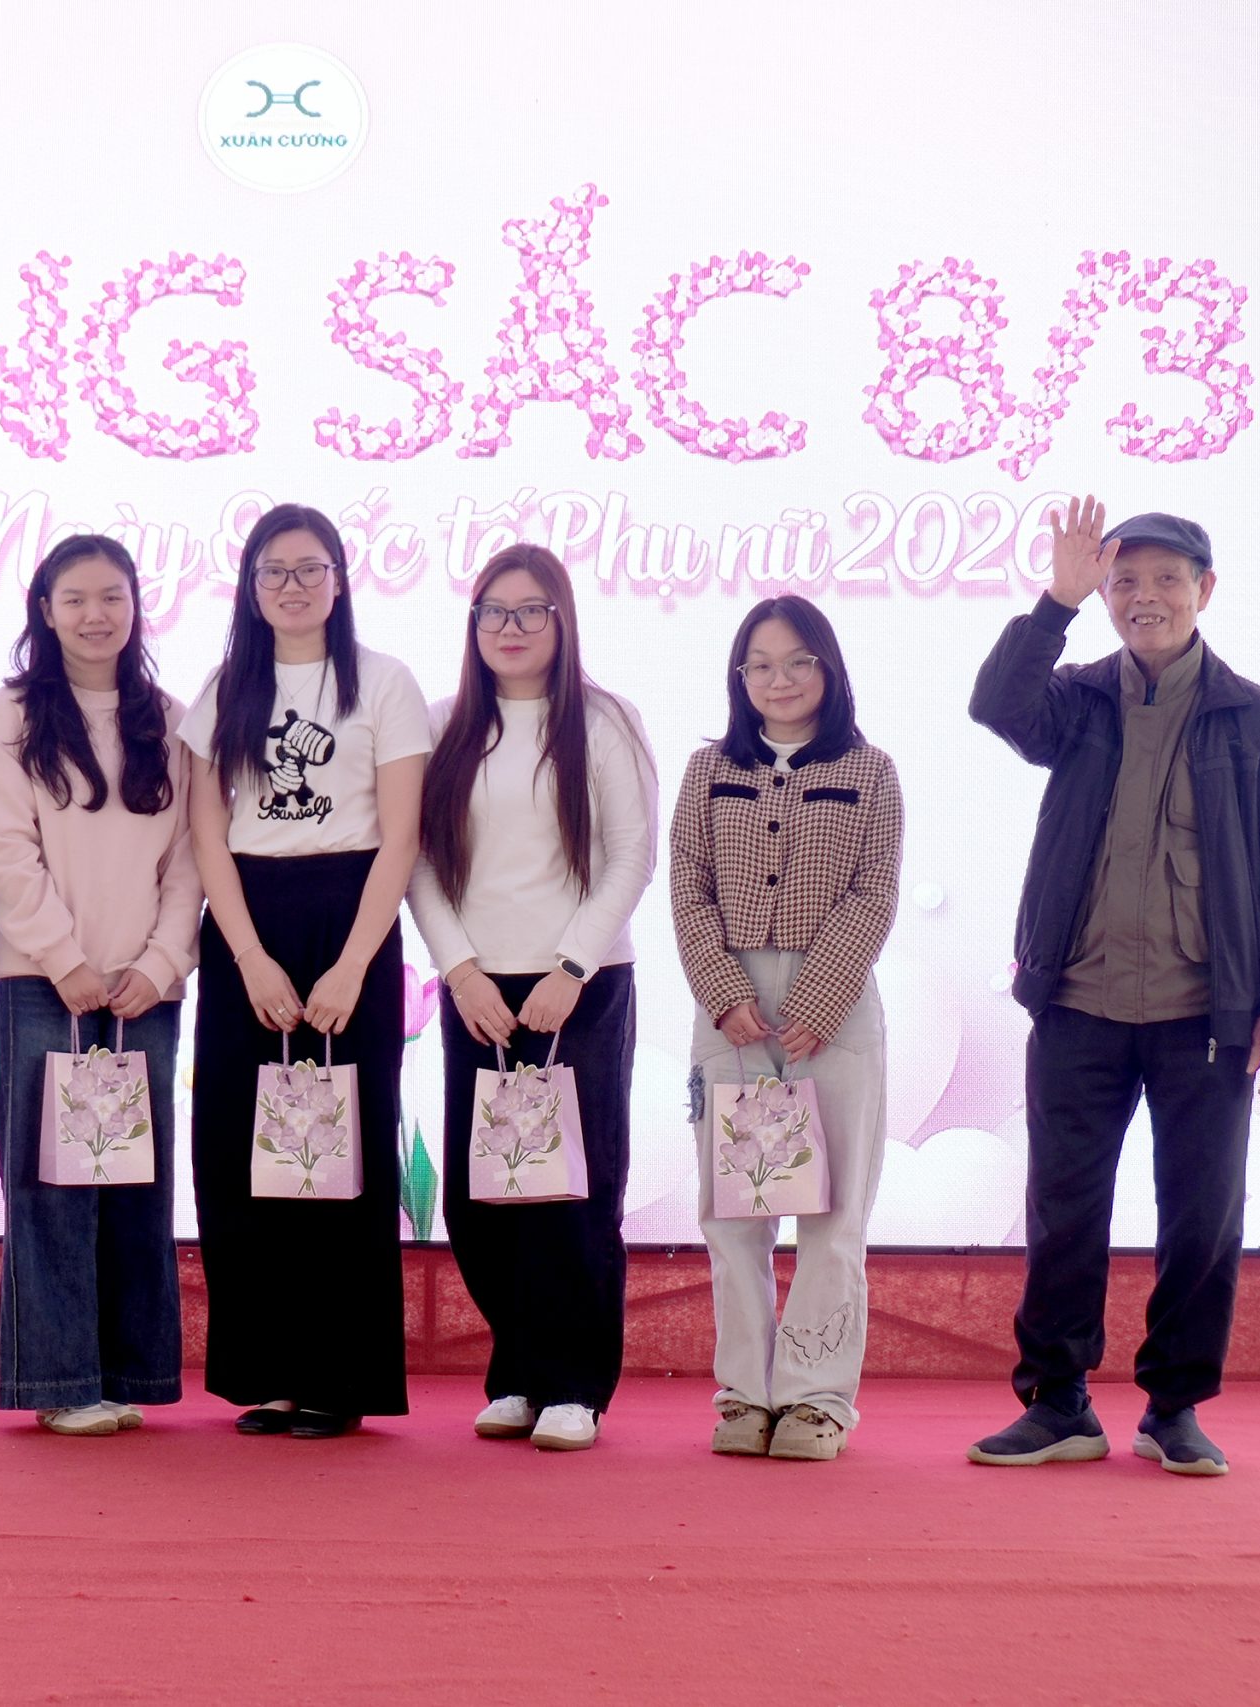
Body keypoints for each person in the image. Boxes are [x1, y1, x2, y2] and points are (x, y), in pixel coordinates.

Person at [965, 500, 1260, 1477]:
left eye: (1167, 579)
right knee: (1064, 1212)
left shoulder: (1251, 717)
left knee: (1201, 1218)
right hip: (1076, 1006)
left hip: (1203, 1017)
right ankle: (1058, 1403)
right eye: (1125, 580)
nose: (1145, 597)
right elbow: (997, 704)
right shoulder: (1078, 699)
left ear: (1205, 590)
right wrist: (1056, 601)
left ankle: (1174, 1407)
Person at [180, 501, 432, 1439]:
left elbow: (401, 836)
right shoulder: (226, 687)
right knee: (240, 1153)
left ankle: (337, 1377)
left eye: (309, 568)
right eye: (273, 571)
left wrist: (352, 966)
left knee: (342, 1155)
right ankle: (268, 1373)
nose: (292, 586)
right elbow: (207, 832)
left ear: (339, 579)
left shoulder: (384, 681)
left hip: (350, 917)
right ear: (251, 587)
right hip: (247, 923)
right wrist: (247, 957)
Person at [409, 544, 658, 1454]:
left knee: (572, 1196)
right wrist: (459, 969)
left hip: (580, 985)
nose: (509, 628)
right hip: (478, 986)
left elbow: (631, 855)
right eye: (493, 612)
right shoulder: (442, 725)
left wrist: (571, 968)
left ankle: (573, 1386)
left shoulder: (605, 720)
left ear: (562, 620)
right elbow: (417, 862)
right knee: (482, 1198)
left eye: (529, 610)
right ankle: (517, 1370)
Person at [0, 534, 201, 1436]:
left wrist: (159, 964)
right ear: (45, 609)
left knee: (137, 1187)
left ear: (137, 605)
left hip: (143, 992)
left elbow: (189, 861)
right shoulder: (14, 715)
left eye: (113, 596)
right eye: (75, 599)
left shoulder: (170, 720)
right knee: (52, 1189)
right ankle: (60, 1381)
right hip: (44, 984)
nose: (96, 614)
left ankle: (133, 1371)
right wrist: (64, 960)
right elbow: (5, 848)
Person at [670, 594, 903, 1463]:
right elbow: (688, 886)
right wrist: (723, 989)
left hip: (831, 1012)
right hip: (730, 1009)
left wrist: (820, 999)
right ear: (740, 677)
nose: (780, 679)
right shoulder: (707, 771)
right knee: (736, 1213)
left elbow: (874, 891)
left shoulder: (871, 770)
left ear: (828, 670)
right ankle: (744, 1393)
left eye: (799, 661)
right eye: (761, 664)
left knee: (833, 1213)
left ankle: (814, 1397)